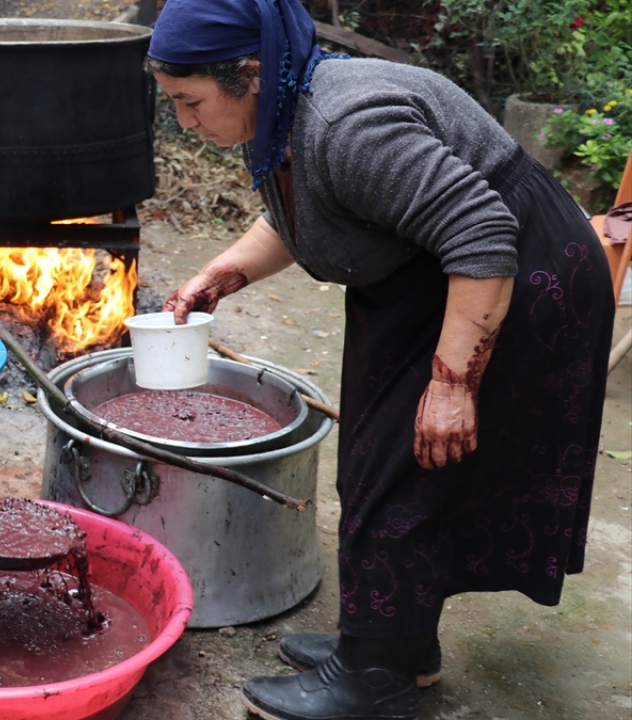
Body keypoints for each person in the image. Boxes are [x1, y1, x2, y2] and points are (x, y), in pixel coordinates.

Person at [145, 1, 615, 718]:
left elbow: (483, 232)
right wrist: (224, 272)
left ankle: (375, 679)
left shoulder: (347, 123)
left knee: (407, 467)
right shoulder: (280, 109)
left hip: (509, 281)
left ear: (249, 71)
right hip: (429, 279)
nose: (185, 122)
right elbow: (306, 209)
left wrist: (453, 383)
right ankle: (396, 644)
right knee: (377, 457)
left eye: (190, 102)